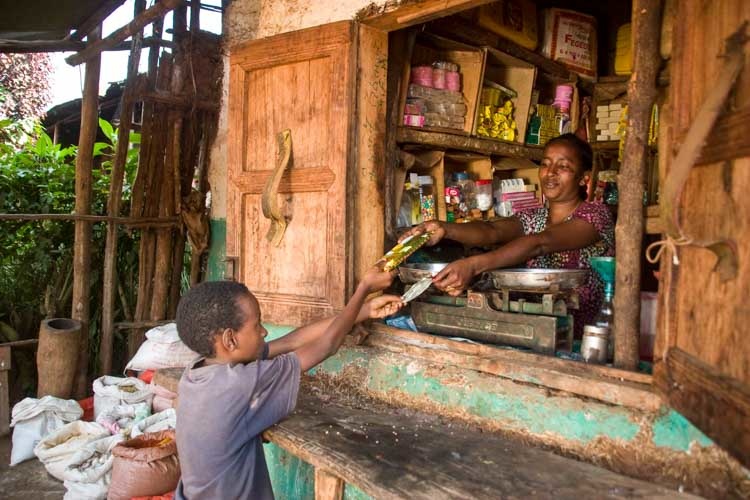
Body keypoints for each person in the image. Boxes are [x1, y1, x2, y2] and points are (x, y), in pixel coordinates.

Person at [173, 268, 403, 499]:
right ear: (230, 339)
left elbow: (292, 340)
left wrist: (363, 311)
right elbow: (326, 346)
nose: (264, 332)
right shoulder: (240, 383)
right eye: (257, 324)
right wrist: (363, 289)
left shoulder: (197, 372)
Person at [402, 133, 614, 335]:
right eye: (545, 163)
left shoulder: (596, 215)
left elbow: (540, 243)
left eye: (564, 166)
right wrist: (444, 228)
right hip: (531, 326)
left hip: (586, 334)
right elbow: (492, 231)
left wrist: (473, 266)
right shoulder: (534, 217)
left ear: (583, 178)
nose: (550, 172)